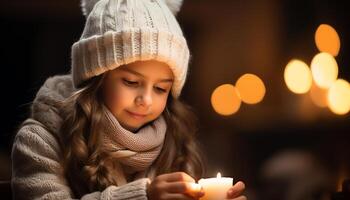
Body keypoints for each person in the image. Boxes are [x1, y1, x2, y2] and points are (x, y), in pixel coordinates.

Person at [11, 0, 246, 199]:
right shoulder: (40, 139)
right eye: (131, 83)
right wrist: (141, 195)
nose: (145, 99)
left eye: (161, 89)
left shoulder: (174, 141)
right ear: (97, 78)